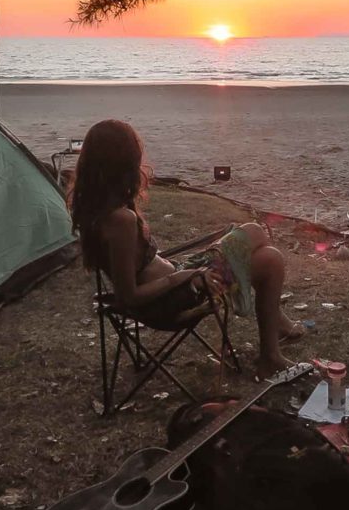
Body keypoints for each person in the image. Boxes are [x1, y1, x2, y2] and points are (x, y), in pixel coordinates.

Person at [68, 119, 305, 378]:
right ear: (123, 162)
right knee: (268, 255)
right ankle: (271, 353)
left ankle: (276, 330)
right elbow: (129, 297)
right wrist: (181, 276)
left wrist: (183, 272)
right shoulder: (121, 220)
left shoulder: (96, 211)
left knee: (257, 239)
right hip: (178, 298)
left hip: (185, 280)